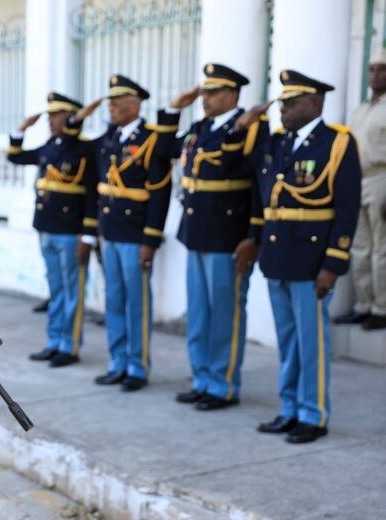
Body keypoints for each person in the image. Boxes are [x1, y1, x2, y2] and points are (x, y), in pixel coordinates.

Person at [237, 70, 361, 443]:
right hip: (277, 256)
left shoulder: (336, 143)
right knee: (288, 340)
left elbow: (347, 208)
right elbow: (259, 191)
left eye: (292, 103)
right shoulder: (277, 144)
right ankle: (289, 407)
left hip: (311, 261)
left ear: (316, 104)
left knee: (312, 342)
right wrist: (248, 123)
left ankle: (313, 413)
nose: (284, 109)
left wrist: (333, 263)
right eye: (282, 102)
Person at [155, 64, 269, 409]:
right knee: (201, 313)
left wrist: (254, 235)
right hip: (197, 233)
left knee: (226, 313)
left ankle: (223, 384)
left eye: (213, 92)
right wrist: (174, 108)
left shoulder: (252, 128)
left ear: (233, 94)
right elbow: (164, 151)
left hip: (229, 235)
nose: (205, 99)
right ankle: (202, 377)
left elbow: (255, 182)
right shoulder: (201, 127)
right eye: (203, 93)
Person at [74, 75, 174, 391]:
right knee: (113, 300)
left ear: (135, 104)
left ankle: (138, 366)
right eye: (111, 102)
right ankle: (117, 361)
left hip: (135, 234)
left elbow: (160, 192)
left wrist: (151, 239)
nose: (112, 107)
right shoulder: (109, 137)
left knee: (136, 303)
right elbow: (75, 142)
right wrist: (79, 116)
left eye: (118, 103)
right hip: (110, 231)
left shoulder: (151, 138)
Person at [7, 92, 98, 367]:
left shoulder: (83, 149)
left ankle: (69, 346)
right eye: (49, 115)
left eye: (57, 115)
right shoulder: (50, 146)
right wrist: (21, 129)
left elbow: (93, 195)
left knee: (72, 290)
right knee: (56, 289)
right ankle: (54, 340)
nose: (50, 120)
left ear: (71, 117)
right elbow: (17, 157)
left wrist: (89, 235)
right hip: (46, 227)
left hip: (71, 231)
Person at [335, 48, 386, 330]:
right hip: (359, 180)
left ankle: (382, 307)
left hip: (382, 179)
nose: (376, 74)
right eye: (372, 69)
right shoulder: (360, 110)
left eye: (382, 69)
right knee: (360, 246)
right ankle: (363, 304)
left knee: (382, 248)